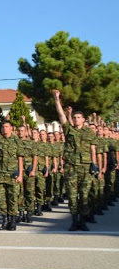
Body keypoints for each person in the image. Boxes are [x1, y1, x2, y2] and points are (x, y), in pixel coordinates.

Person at [53, 90, 97, 231]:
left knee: (84, 196)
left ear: (83, 120)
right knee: (72, 196)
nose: (77, 119)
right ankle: (74, 220)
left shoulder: (89, 132)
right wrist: (56, 99)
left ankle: (83, 221)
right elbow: (61, 115)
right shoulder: (68, 130)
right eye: (75, 117)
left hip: (85, 167)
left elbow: (92, 149)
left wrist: (94, 164)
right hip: (71, 167)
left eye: (79, 117)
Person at [0, 98, 24, 231]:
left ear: (12, 128)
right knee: (2, 199)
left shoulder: (17, 141)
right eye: (3, 126)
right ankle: (5, 220)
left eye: (7, 126)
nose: (4, 128)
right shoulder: (0, 139)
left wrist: (20, 174)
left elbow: (20, 158)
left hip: (13, 174)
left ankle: (13, 221)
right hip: (0, 174)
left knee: (13, 198)